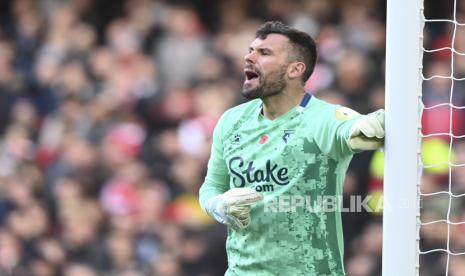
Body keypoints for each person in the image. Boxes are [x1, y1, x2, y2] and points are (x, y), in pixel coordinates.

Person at [198, 21, 385, 276]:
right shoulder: (231, 121)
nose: (248, 57)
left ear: (295, 69)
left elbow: (352, 128)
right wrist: (218, 205)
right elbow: (211, 187)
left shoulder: (322, 118)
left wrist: (368, 126)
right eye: (251, 50)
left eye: (264, 53)